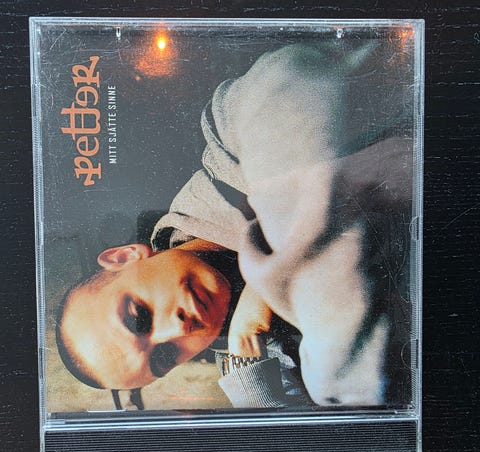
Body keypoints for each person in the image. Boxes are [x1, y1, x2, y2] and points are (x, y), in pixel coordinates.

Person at [57, 40, 414, 408]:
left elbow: (290, 89)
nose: (177, 329)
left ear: (125, 256)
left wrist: (266, 284)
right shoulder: (256, 350)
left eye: (139, 317)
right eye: (164, 356)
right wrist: (249, 375)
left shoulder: (228, 134)